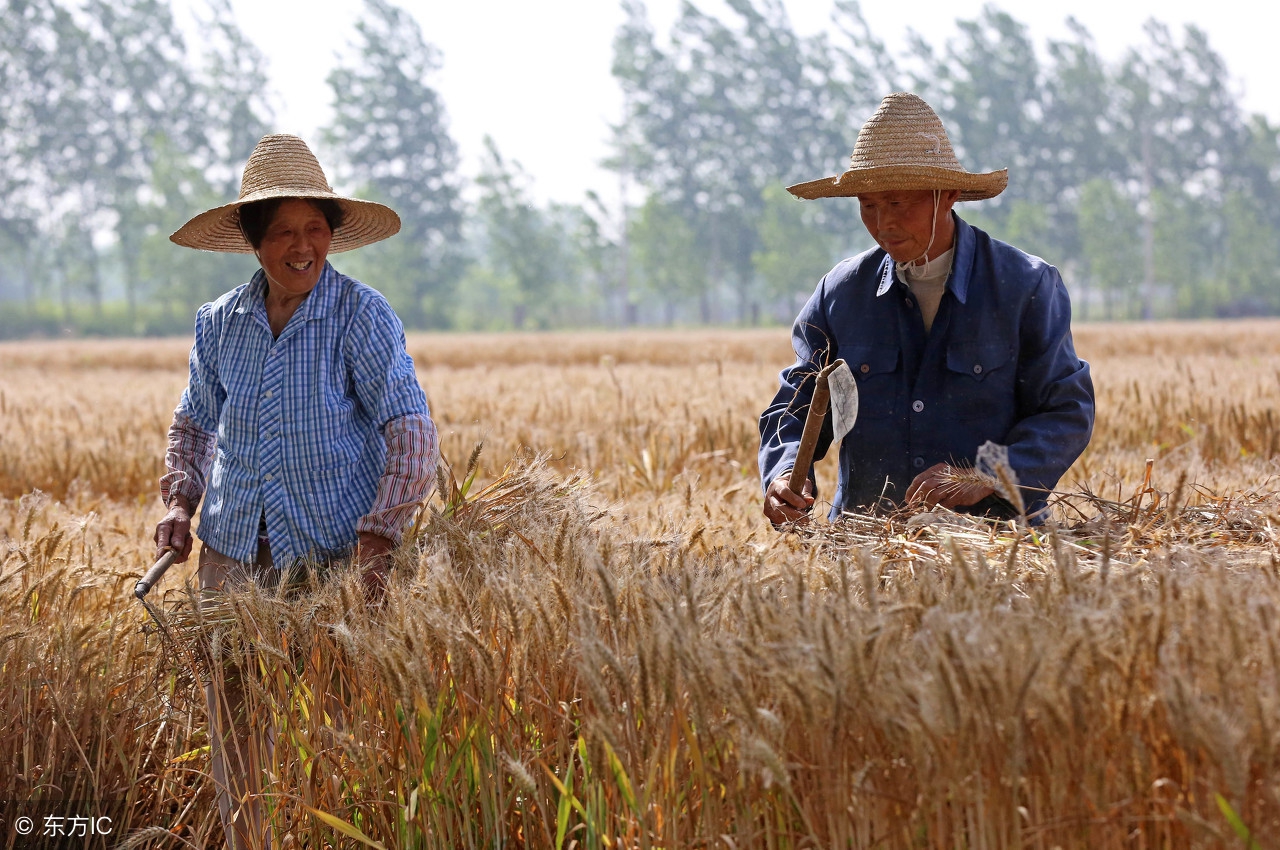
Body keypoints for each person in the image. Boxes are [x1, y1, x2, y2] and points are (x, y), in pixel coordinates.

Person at [152, 134, 440, 849]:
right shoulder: (220, 323)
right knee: (238, 733)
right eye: (284, 232)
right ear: (254, 243)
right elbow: (193, 423)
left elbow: (410, 427)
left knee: (335, 735)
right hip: (232, 563)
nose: (304, 246)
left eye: (316, 229)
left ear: (333, 235)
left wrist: (379, 538)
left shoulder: (360, 316)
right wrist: (178, 506)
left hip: (334, 564)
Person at [760, 92, 1094, 526]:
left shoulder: (1024, 286)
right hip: (865, 555)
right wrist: (786, 473)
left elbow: (1066, 410)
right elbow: (797, 404)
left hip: (997, 548)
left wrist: (987, 476)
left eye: (898, 203)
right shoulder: (839, 294)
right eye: (869, 206)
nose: (883, 223)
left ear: (948, 194)